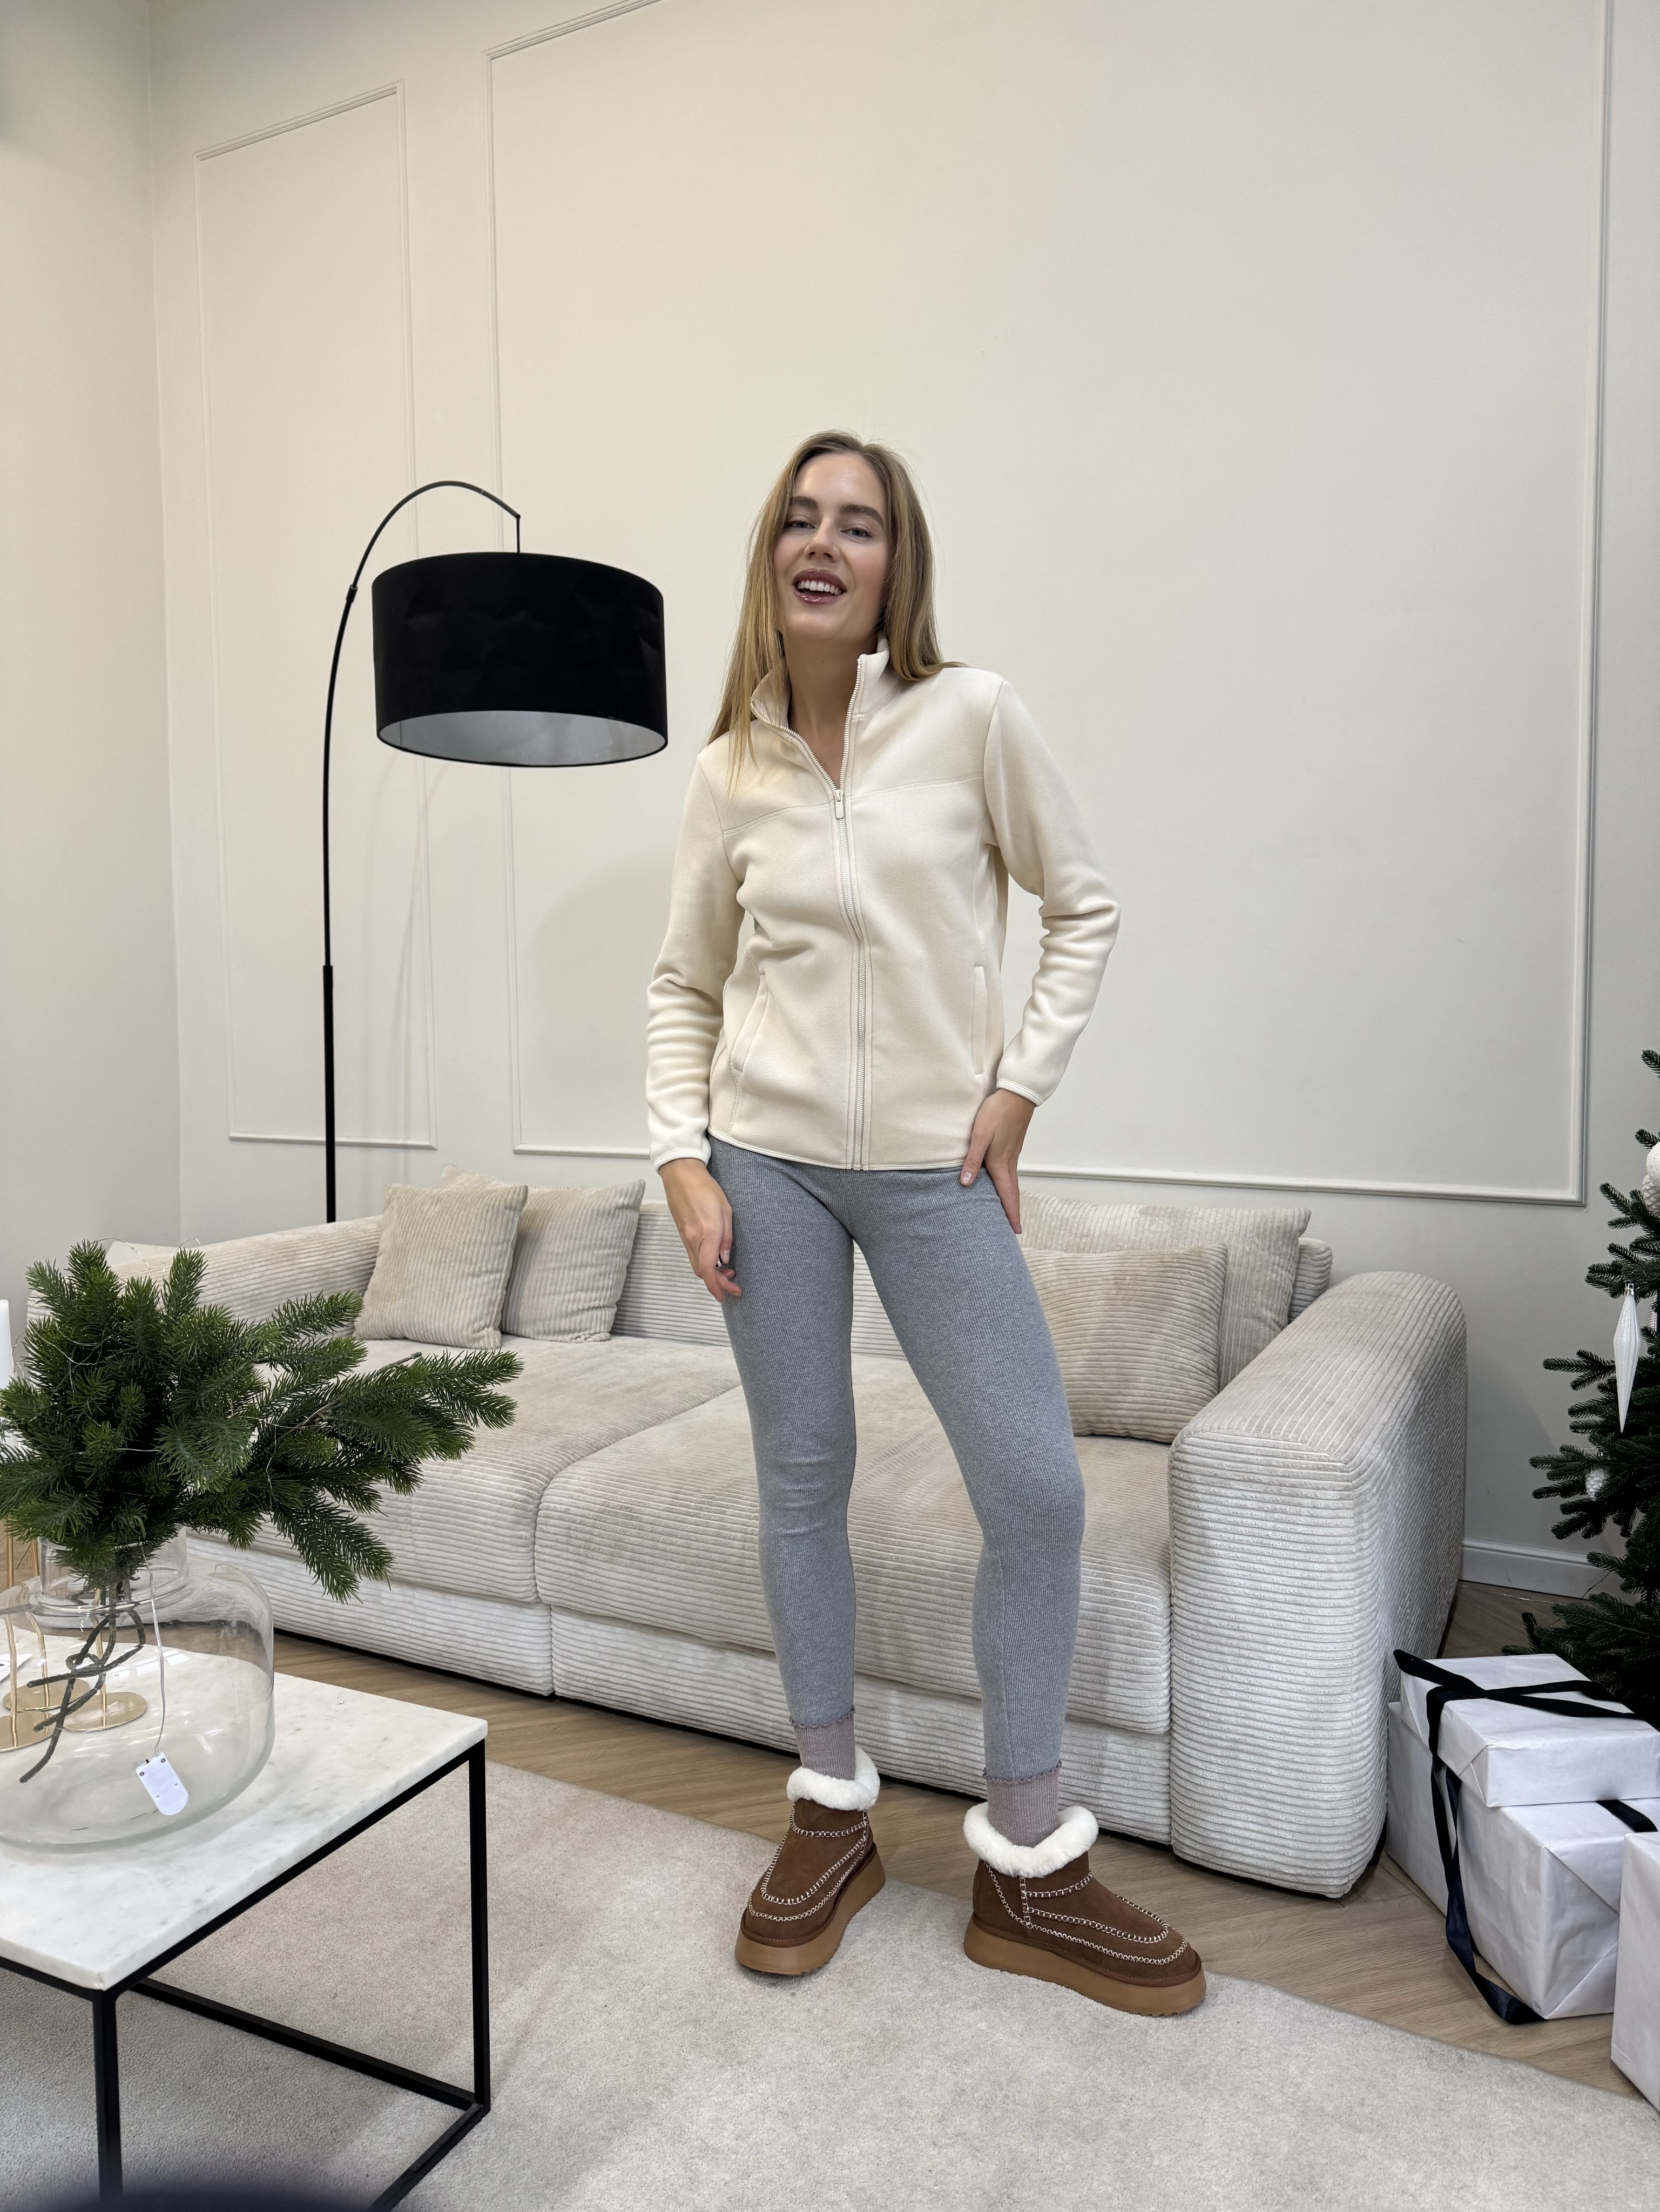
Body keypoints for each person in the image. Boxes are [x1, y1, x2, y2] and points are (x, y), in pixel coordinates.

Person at [646, 431, 1204, 2017]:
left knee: (1035, 1490)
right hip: (761, 1162)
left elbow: (1083, 902)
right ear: (770, 554)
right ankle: (831, 1814)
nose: (824, 544)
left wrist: (1016, 1090)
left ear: (900, 563)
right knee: (800, 1479)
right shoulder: (730, 771)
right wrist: (681, 1158)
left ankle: (1027, 1859)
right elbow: (686, 981)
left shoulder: (971, 718)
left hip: (929, 1171)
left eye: (861, 524)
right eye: (800, 519)